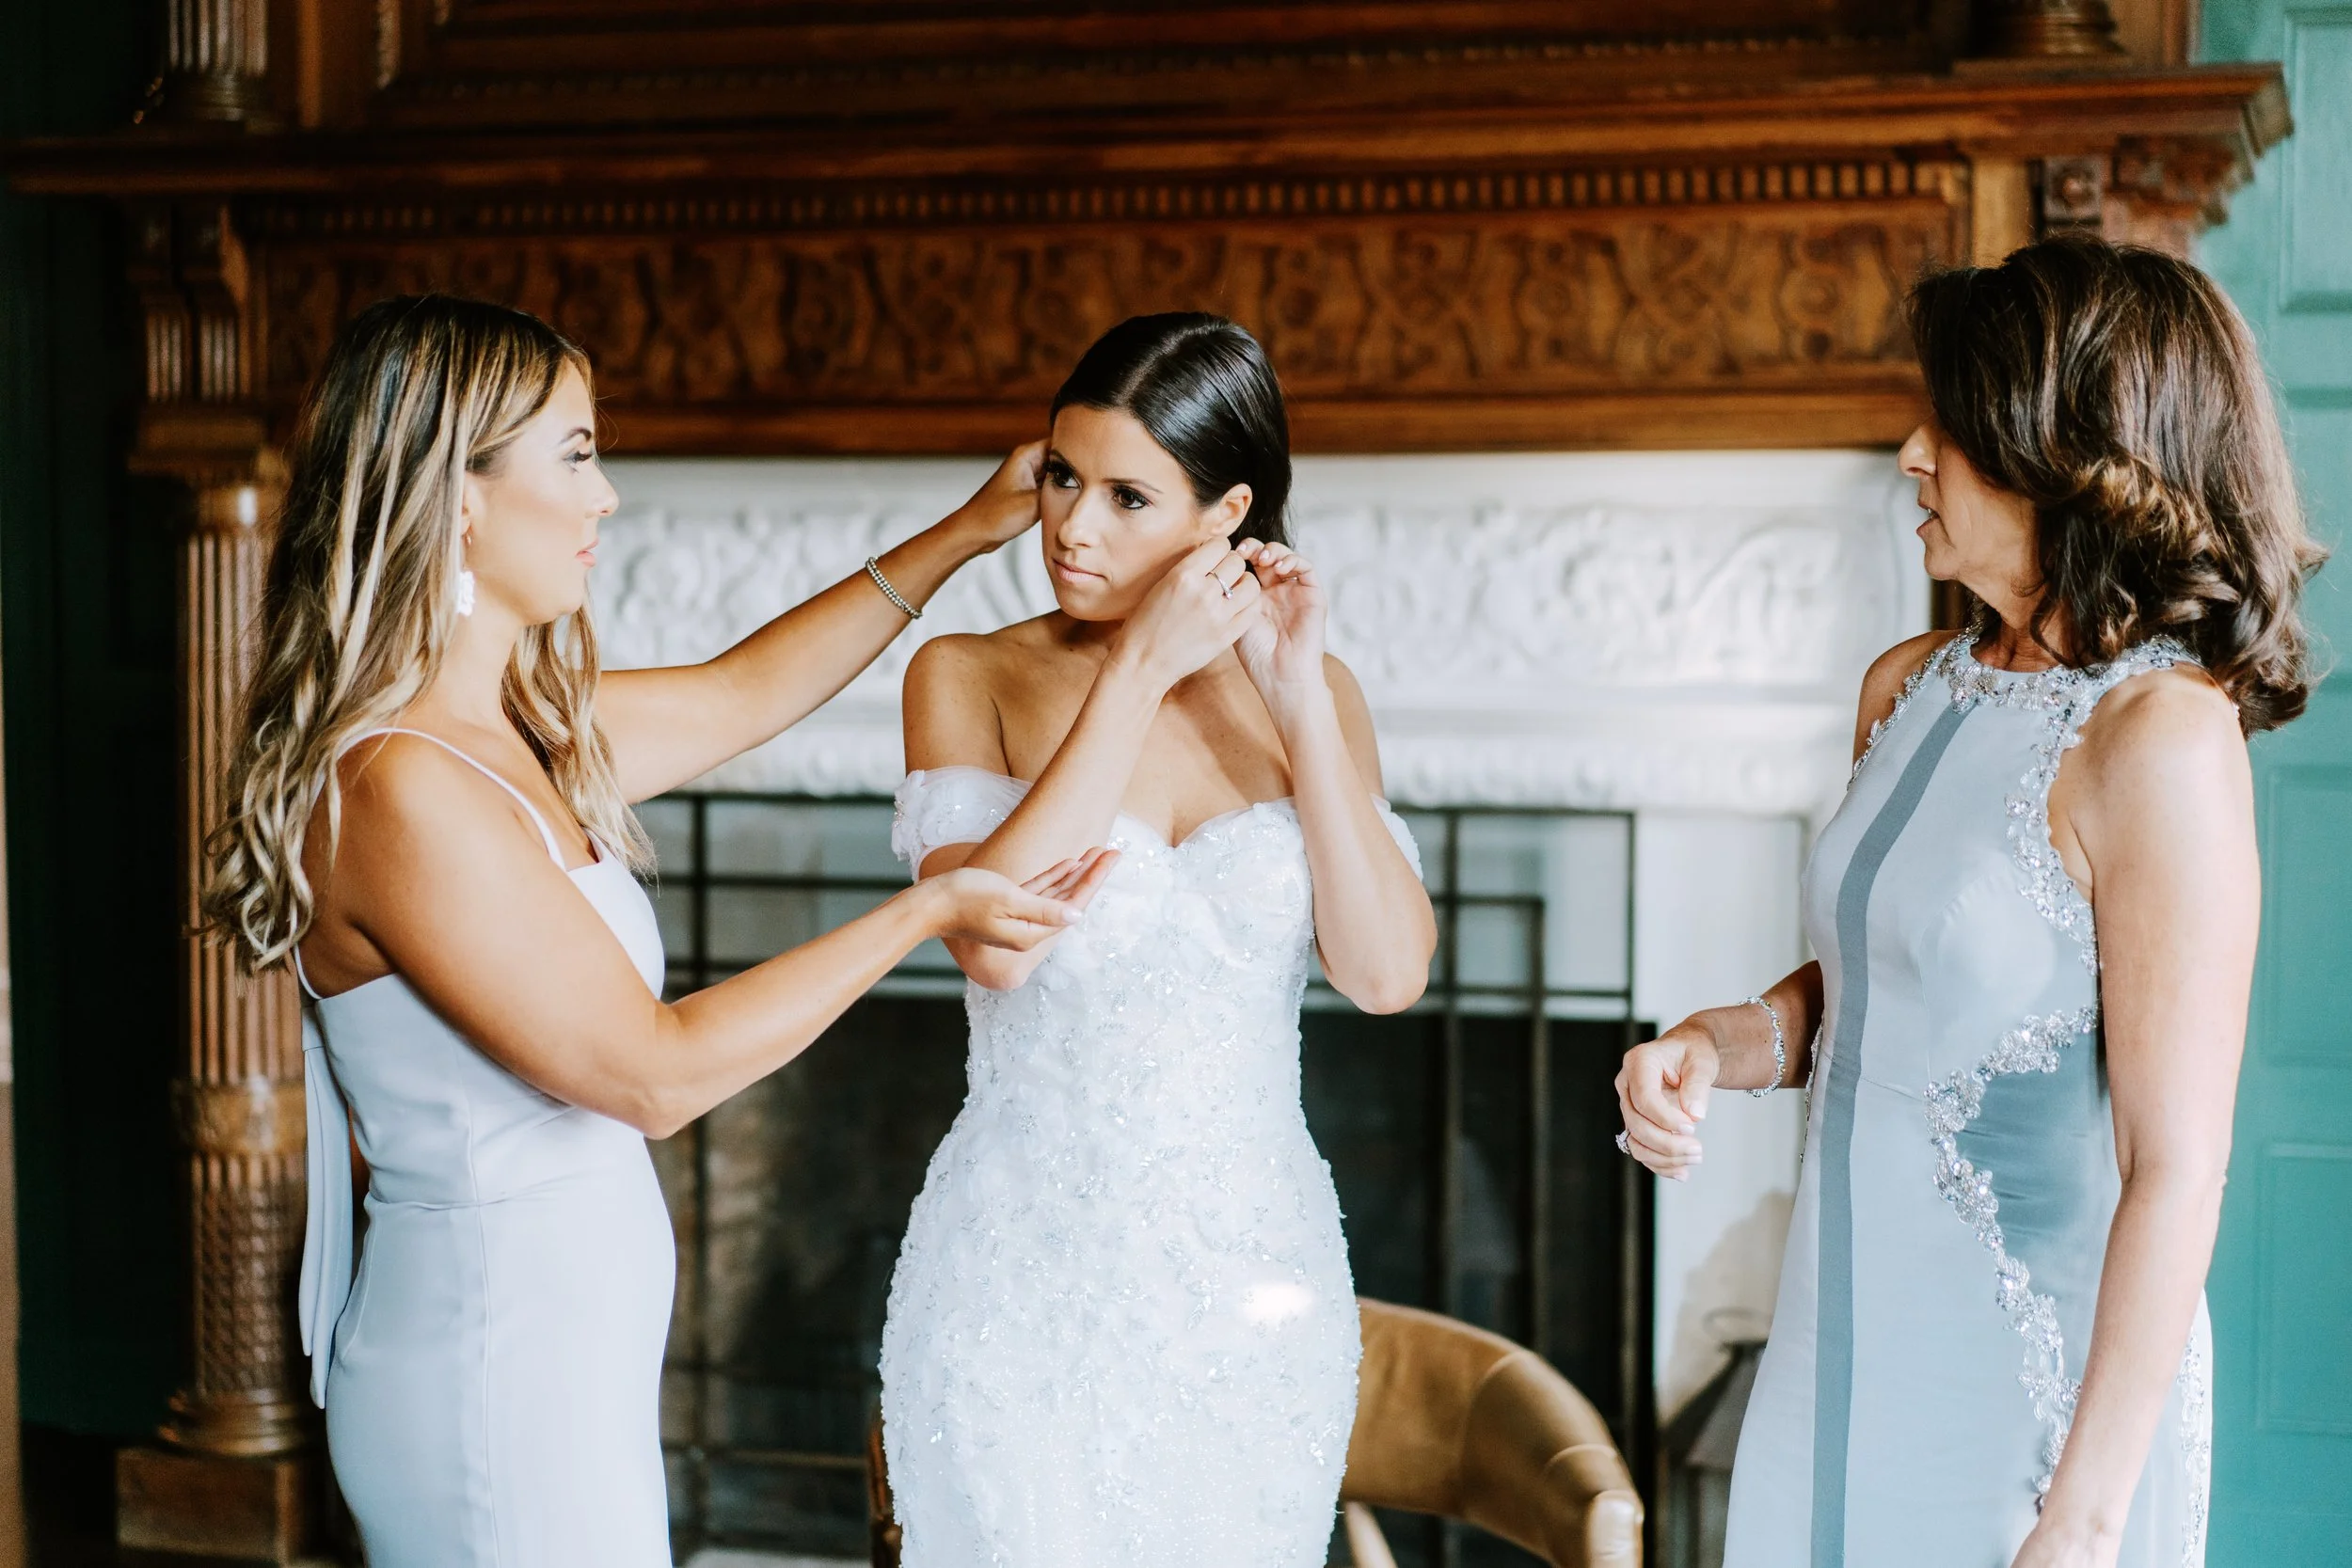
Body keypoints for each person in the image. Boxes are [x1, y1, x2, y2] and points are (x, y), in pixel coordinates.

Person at [200, 294, 1116, 1568]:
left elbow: (746, 694)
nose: (606, 496)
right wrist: (923, 908)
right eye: (576, 454)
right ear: (455, 496)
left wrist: (964, 533)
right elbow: (654, 1072)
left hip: (554, 1361)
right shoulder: (400, 788)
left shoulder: (509, 732)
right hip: (493, 1373)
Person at [1615, 236, 2324, 1568]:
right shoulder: (1908, 684)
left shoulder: (2160, 741)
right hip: (1833, 1348)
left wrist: (2085, 1516)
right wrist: (1717, 1045)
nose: (1909, 453)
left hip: (2026, 1408)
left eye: (1950, 423)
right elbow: (1870, 989)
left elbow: (2177, 1167)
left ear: (2071, 451)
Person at [877, 313, 1438, 1565]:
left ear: (1222, 513)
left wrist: (1298, 700)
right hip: (1020, 1277)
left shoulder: (1318, 690)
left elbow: (1389, 971)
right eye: (1064, 478)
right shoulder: (965, 673)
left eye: (1129, 495)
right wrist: (1131, 674)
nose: (1072, 526)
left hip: (1257, 1276)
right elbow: (996, 946)